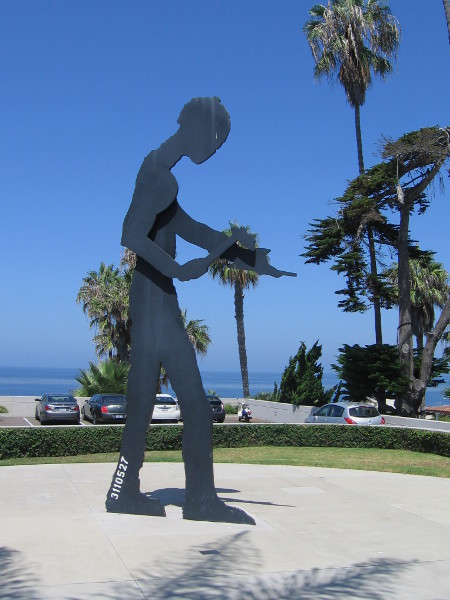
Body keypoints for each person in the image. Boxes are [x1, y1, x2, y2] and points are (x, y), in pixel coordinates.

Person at [106, 97, 295, 524]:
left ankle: (126, 490)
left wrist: (254, 261)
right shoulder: (160, 176)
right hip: (156, 301)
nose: (214, 150)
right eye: (216, 140)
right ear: (198, 131)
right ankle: (198, 500)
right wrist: (179, 269)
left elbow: (198, 232)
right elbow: (131, 234)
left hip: (152, 299)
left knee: (144, 402)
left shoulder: (157, 170)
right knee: (192, 403)